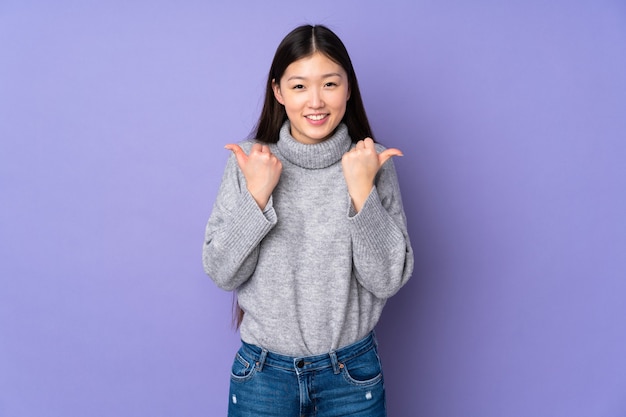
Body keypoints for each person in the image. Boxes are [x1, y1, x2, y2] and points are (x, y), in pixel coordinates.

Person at [202, 24, 414, 417]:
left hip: (350, 378)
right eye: (299, 86)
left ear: (348, 88)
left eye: (330, 84)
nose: (315, 101)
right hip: (263, 378)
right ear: (278, 91)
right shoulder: (250, 163)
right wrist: (257, 196)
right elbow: (222, 273)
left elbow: (386, 279)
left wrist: (361, 191)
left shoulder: (371, 163)